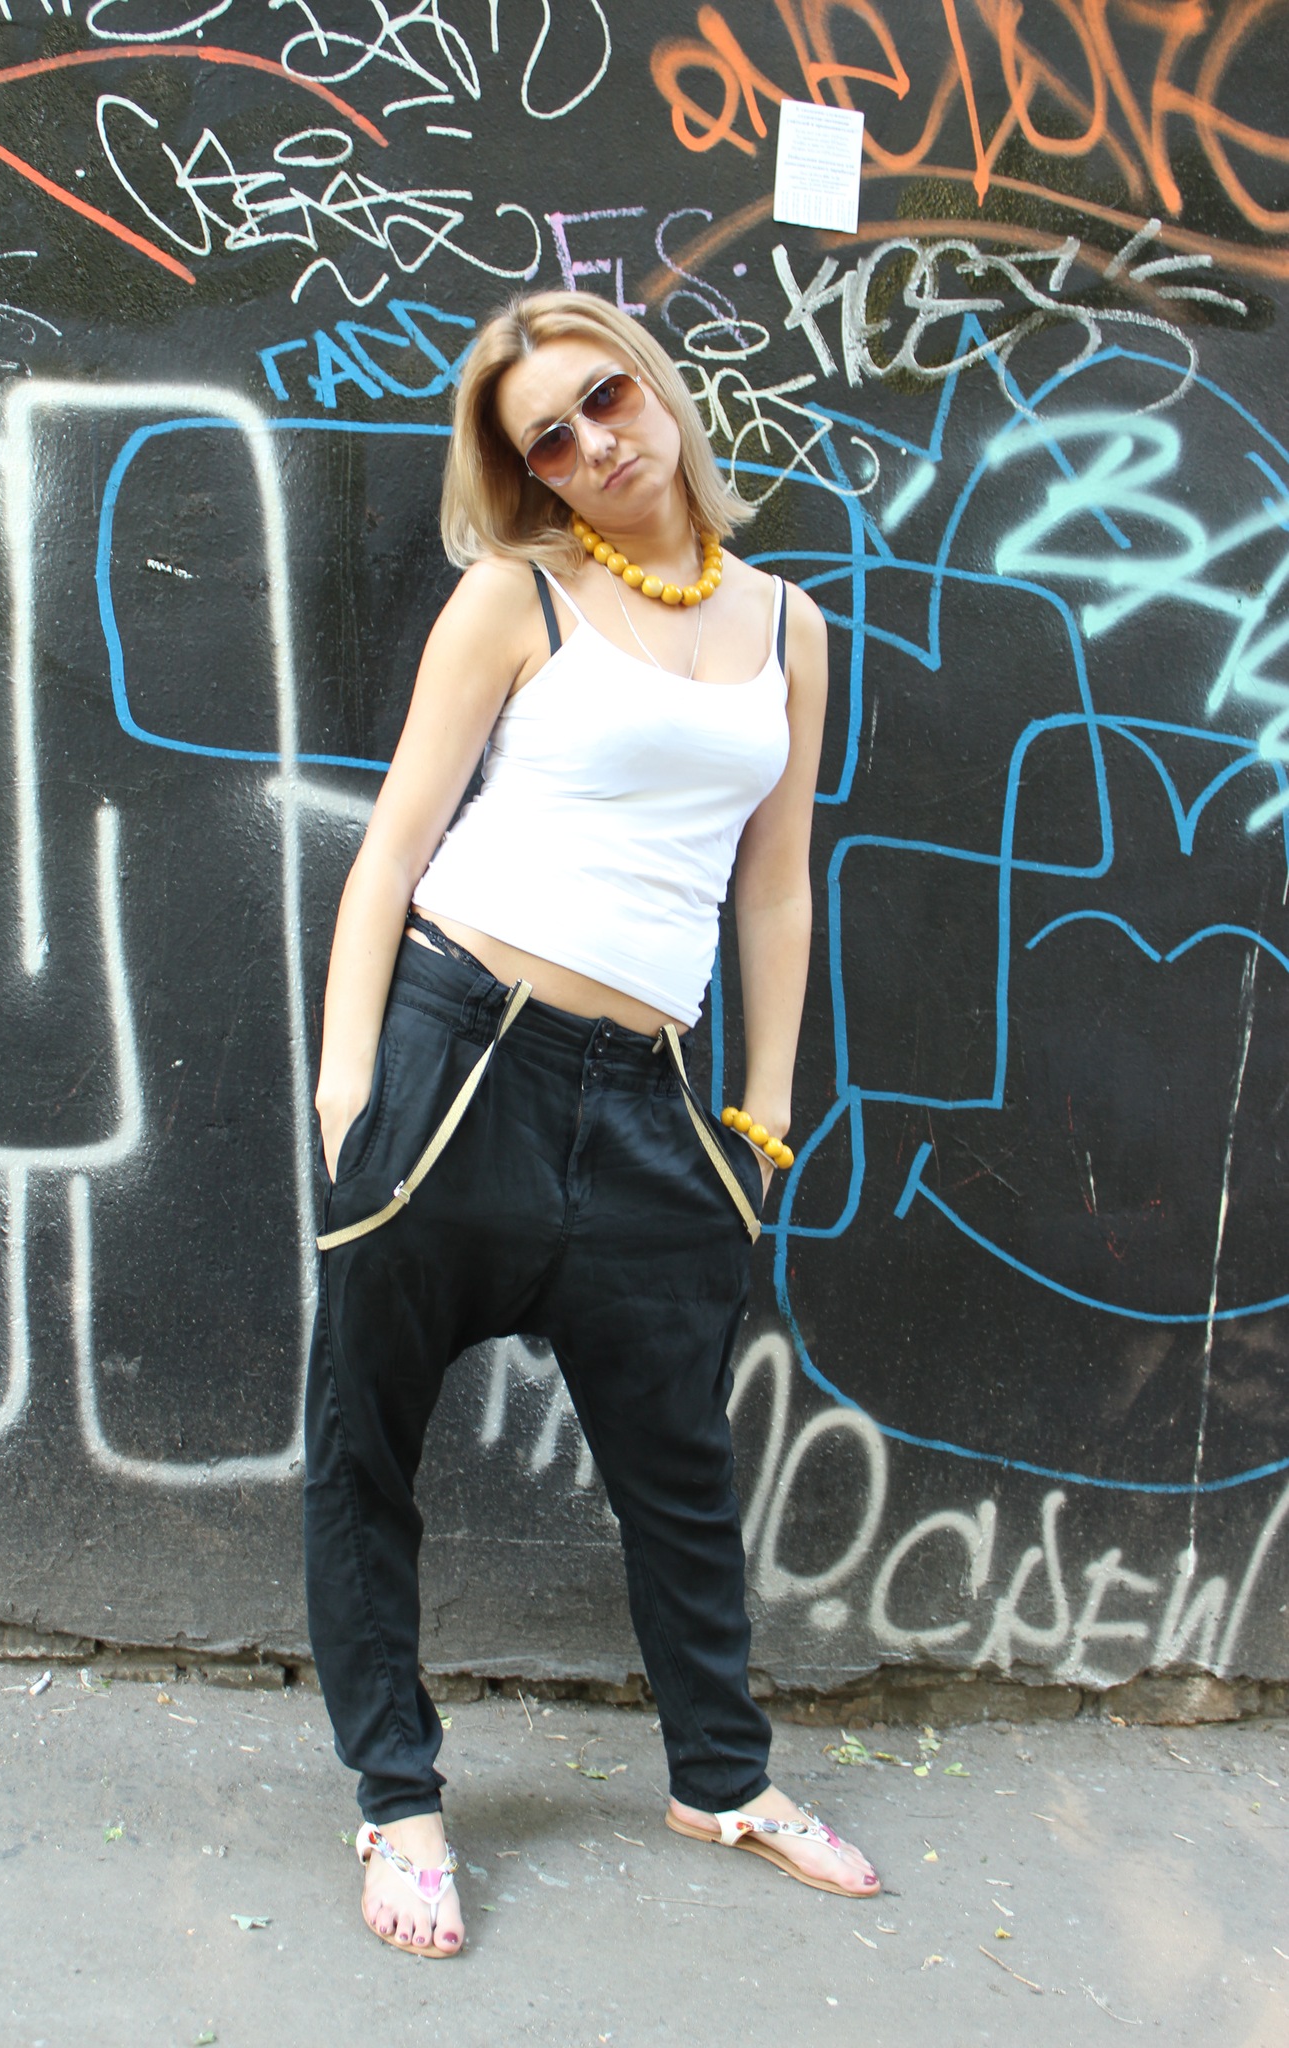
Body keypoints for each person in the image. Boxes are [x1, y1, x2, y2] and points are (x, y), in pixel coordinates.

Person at [305, 286, 879, 1959]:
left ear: (658, 391)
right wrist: (346, 1080)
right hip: (456, 1055)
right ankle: (398, 1801)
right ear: (527, 476)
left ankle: (721, 1780)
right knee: (365, 1451)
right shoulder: (518, 596)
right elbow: (394, 842)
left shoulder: (788, 627)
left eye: (605, 399)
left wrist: (762, 1111)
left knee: (680, 1471)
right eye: (546, 439)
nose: (591, 445)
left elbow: (774, 886)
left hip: (648, 1100)